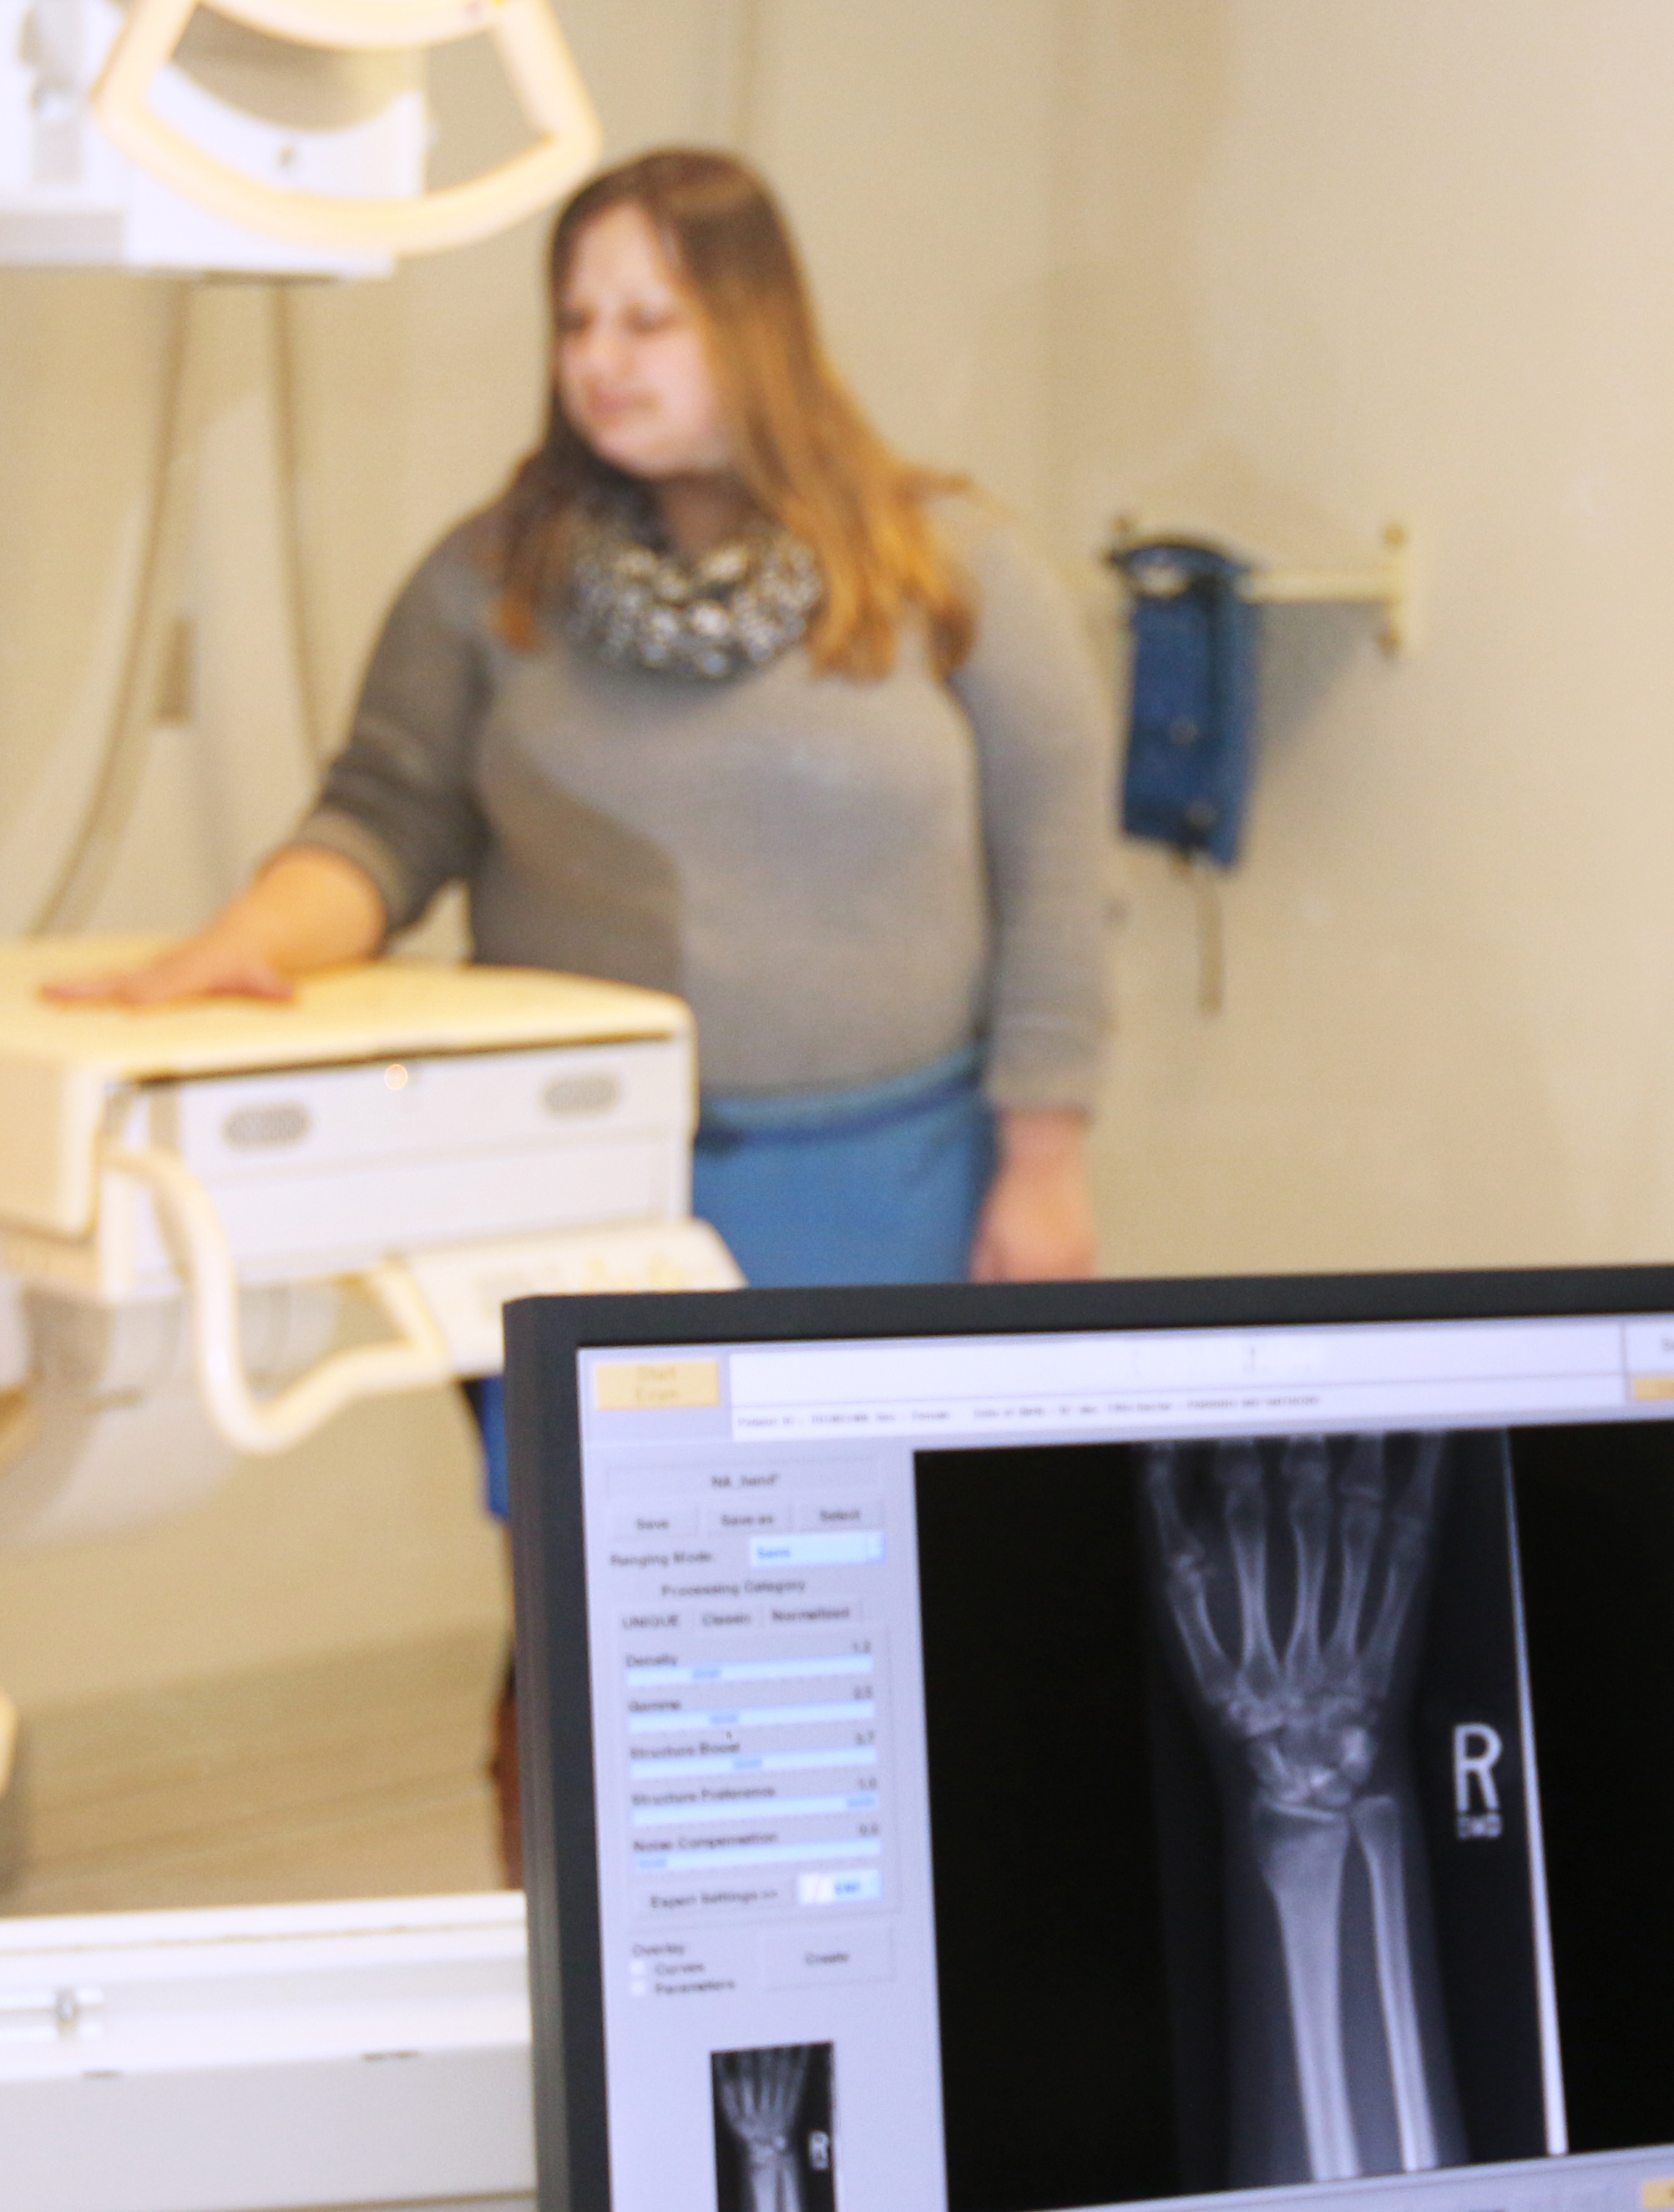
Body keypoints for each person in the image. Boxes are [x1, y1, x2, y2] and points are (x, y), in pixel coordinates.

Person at [69, 149, 1118, 1855]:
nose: (603, 357)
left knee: (882, 1649)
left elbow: (1060, 873)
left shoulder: (948, 568)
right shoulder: (492, 582)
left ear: (760, 328)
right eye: (576, 319)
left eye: (652, 317)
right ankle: (592, 1978)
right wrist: (240, 941)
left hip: (894, 1190)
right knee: (616, 1643)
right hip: (576, 1199)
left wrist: (1044, 1159)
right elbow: (381, 820)